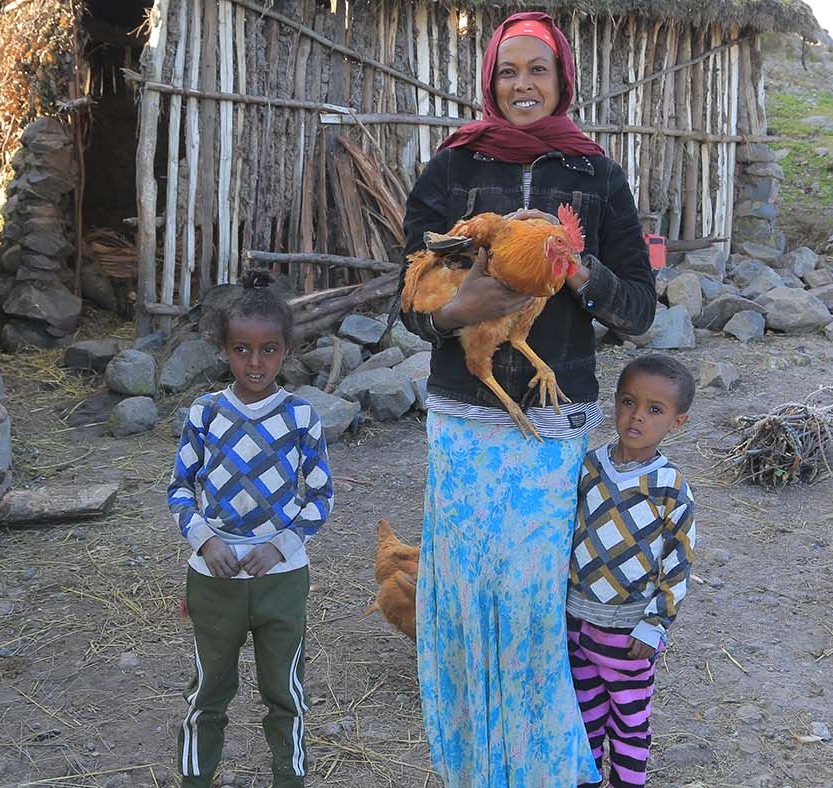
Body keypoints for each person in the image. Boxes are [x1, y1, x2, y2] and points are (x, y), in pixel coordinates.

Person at [398, 11, 657, 786]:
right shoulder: (449, 170)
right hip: (463, 416)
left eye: (536, 70)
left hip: (552, 421)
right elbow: (408, 301)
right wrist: (455, 311)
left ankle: (544, 765)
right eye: (507, 71)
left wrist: (581, 275)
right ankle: (476, 764)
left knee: (535, 595)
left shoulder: (596, 176)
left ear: (562, 79)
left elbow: (639, 306)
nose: (521, 85)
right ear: (488, 80)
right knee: (467, 592)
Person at [168, 270, 334, 788]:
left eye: (268, 350)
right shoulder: (206, 413)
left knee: (285, 691)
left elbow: (321, 496)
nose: (255, 363)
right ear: (224, 350)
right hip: (213, 581)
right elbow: (178, 490)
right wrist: (205, 539)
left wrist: (282, 546)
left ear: (286, 351)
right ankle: (195, 778)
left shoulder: (301, 415)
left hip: (281, 581)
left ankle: (290, 777)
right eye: (242, 349)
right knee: (208, 692)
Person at [567, 355, 697, 788]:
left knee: (629, 721)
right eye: (628, 402)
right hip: (575, 623)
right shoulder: (587, 467)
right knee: (582, 716)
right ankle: (586, 780)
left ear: (677, 423)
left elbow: (678, 561)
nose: (637, 416)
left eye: (654, 410)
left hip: (628, 635)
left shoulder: (670, 487)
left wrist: (654, 625)